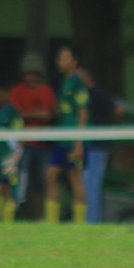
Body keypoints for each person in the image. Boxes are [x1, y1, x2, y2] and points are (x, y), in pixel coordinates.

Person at [45, 44, 89, 224]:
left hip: (73, 141)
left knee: (74, 178)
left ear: (74, 61)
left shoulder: (78, 82)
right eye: (59, 58)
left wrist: (79, 142)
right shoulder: (65, 82)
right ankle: (51, 222)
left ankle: (80, 223)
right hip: (63, 141)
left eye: (64, 58)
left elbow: (82, 111)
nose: (60, 62)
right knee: (51, 175)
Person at [10, 52, 57, 220]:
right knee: (20, 179)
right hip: (24, 144)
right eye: (28, 74)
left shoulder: (46, 91)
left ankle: (40, 217)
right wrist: (36, 114)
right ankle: (15, 213)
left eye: (34, 74)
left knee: (41, 183)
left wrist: (48, 115)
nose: (31, 77)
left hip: (43, 145)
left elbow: (53, 111)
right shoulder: (17, 91)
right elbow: (15, 114)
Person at [78, 65, 123, 223]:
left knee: (92, 185)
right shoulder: (85, 95)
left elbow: (117, 110)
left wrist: (110, 128)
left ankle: (92, 220)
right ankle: (88, 219)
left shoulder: (96, 93)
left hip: (98, 145)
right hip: (92, 145)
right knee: (87, 183)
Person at [0, 81, 24, 223]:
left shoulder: (13, 112)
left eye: (1, 96)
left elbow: (19, 136)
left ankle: (8, 220)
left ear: (7, 95)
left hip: (9, 155)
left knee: (8, 188)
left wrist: (16, 155)